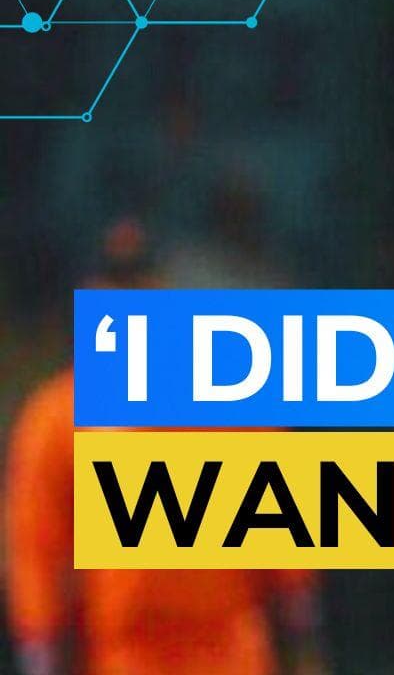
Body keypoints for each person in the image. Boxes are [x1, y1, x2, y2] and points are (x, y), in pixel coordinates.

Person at [4, 219, 328, 675]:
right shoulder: (56, 418)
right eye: (115, 283)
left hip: (229, 650)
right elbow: (35, 546)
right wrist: (41, 646)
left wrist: (303, 637)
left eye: (141, 282)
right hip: (123, 656)